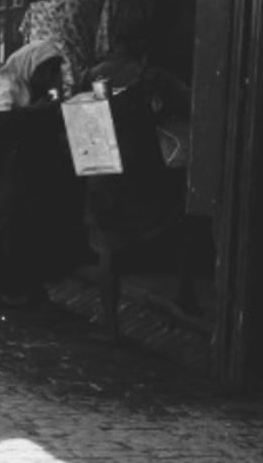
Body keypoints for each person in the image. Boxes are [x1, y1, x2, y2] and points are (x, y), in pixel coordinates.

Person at [80, 19, 198, 341]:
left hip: (103, 171)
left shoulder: (91, 75)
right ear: (141, 47)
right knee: (184, 220)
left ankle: (110, 327)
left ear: (114, 44)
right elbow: (191, 103)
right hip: (144, 172)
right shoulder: (151, 77)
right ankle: (185, 290)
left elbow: (77, 117)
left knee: (109, 247)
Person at [0, 40, 81, 306]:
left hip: (19, 170)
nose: (50, 79)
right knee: (1, 224)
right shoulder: (7, 84)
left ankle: (21, 283)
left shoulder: (33, 88)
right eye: (47, 72)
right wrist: (34, 112)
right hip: (1, 169)